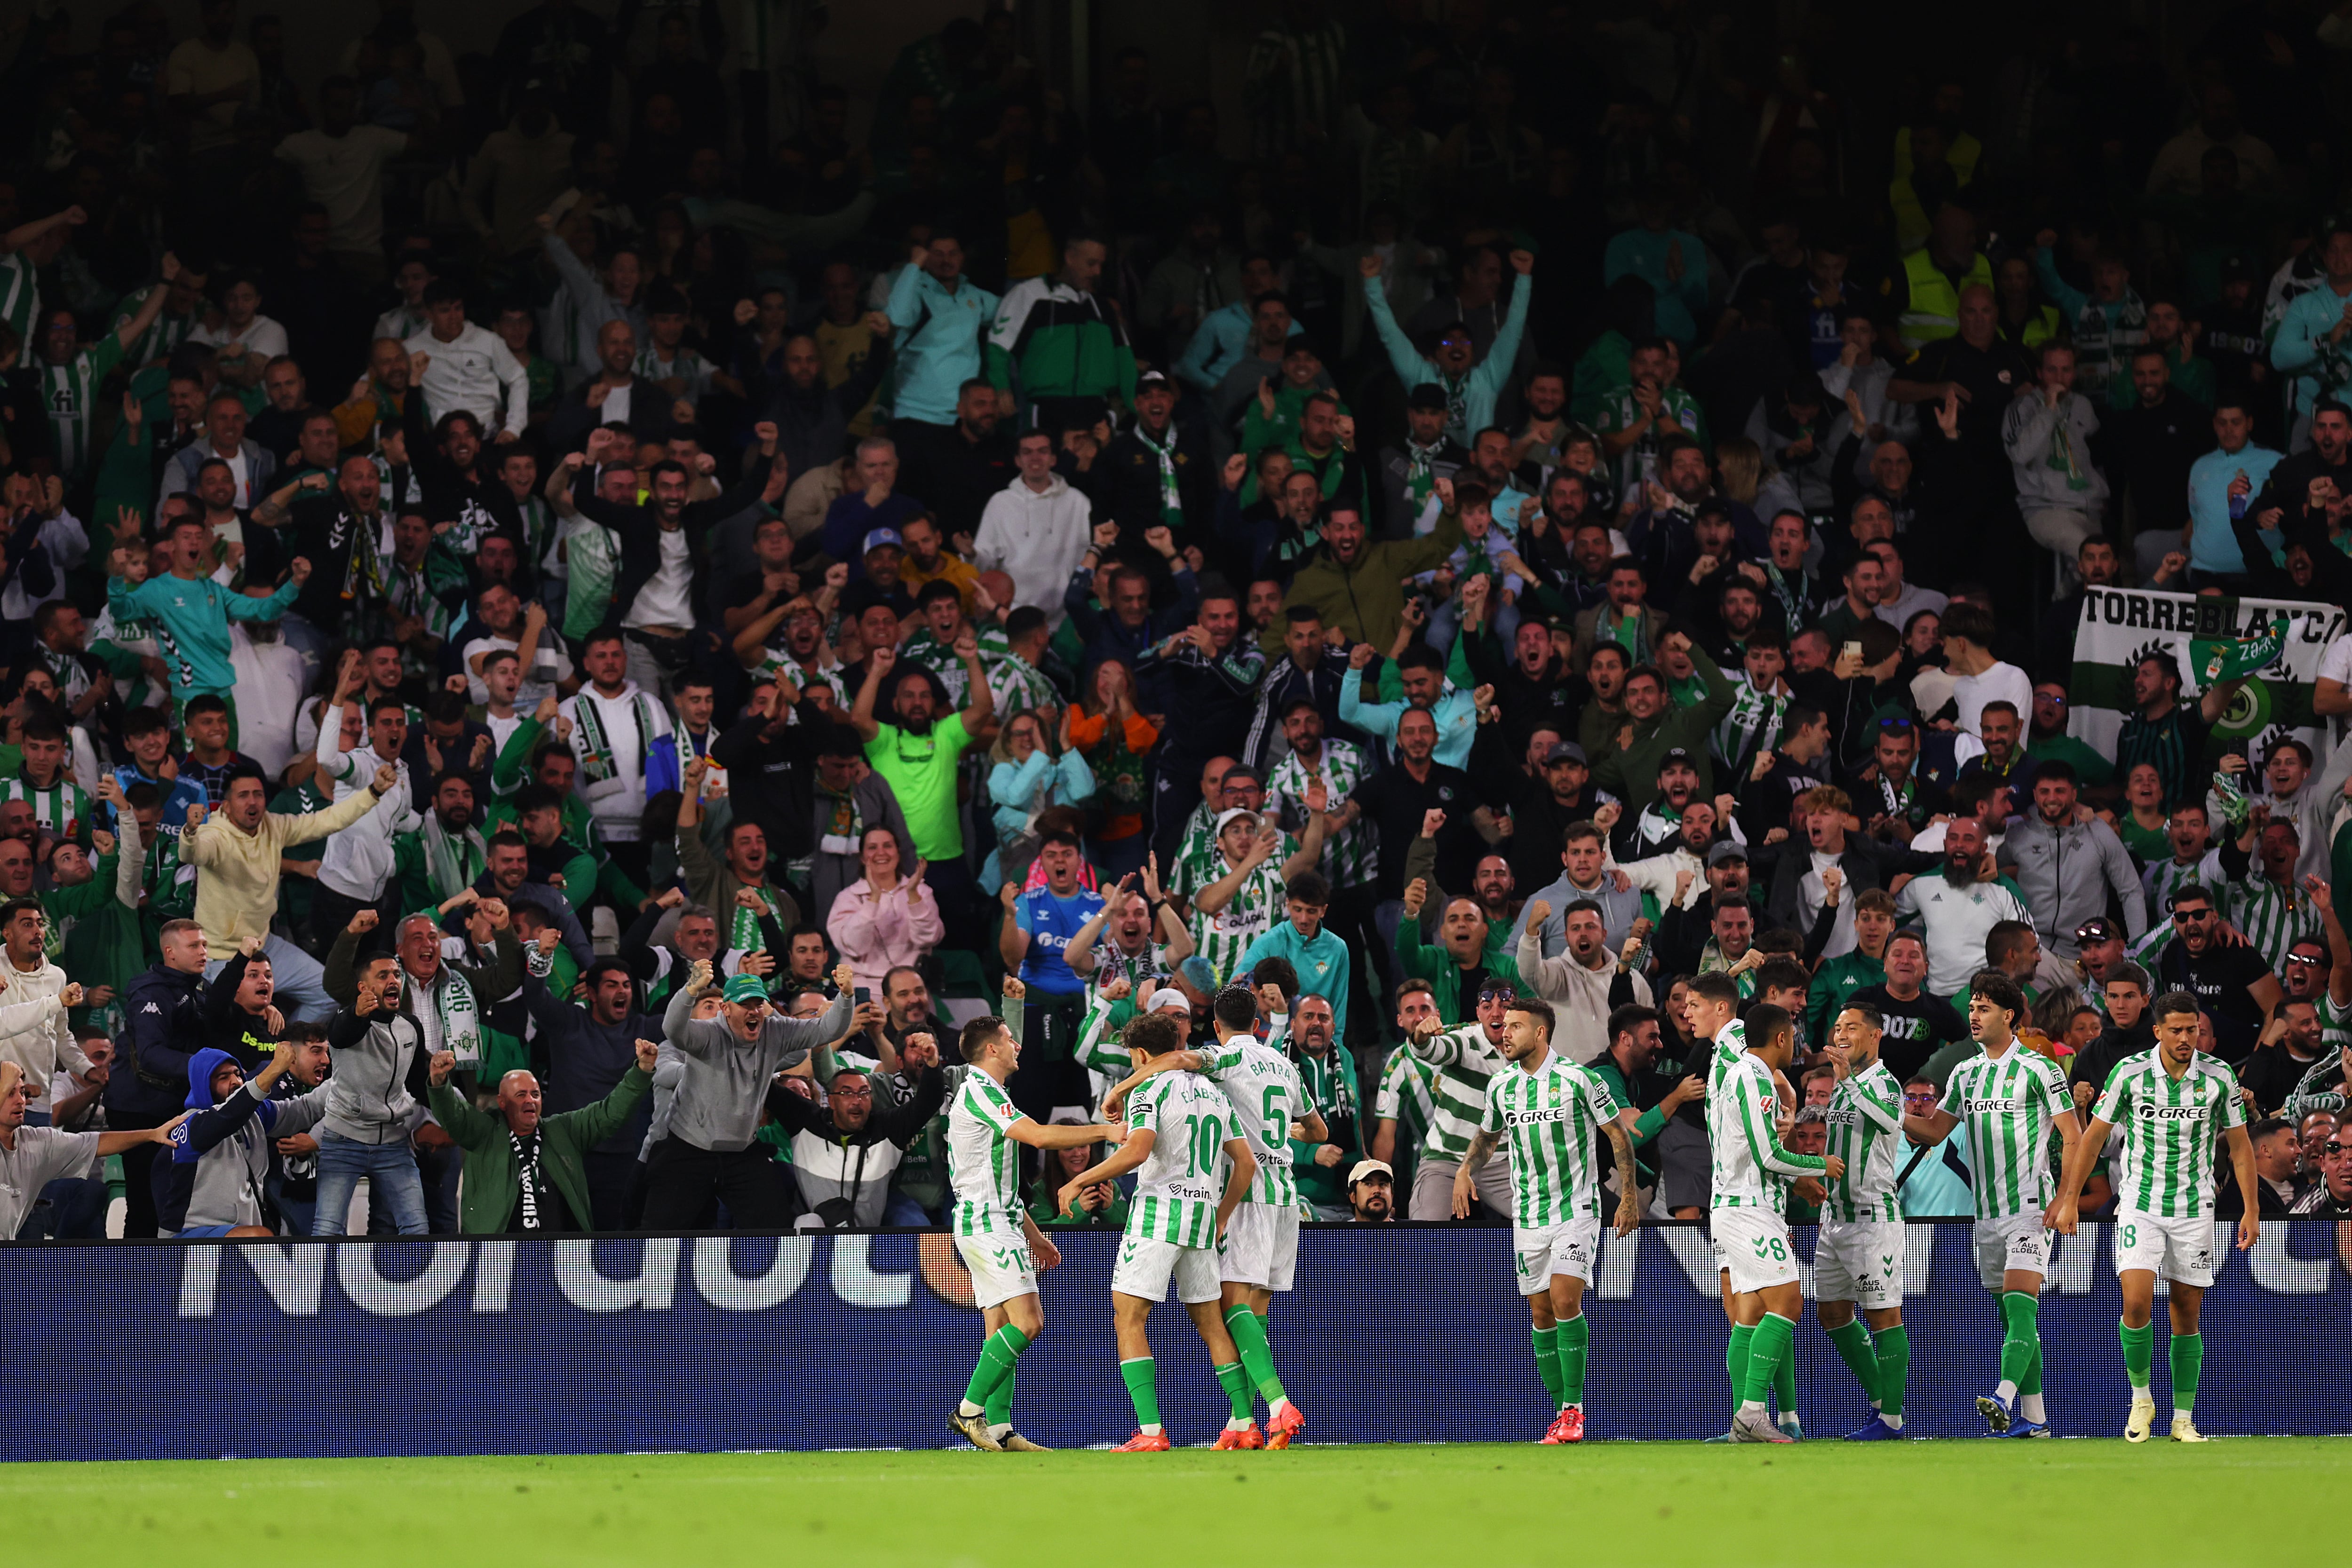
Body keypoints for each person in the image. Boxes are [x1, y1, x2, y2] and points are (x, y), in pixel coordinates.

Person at [1109, 985, 1325, 1449]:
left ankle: (1275, 1405)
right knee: (1252, 1312)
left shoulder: (1222, 1059)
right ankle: (1238, 1421)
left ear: (1215, 1026)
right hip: (1285, 1194)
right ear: (1258, 1021)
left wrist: (1122, 1086)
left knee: (1230, 1308)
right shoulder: (1284, 1065)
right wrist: (1278, 1131)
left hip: (1245, 1196)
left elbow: (1175, 1061)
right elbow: (1318, 1129)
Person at [2048, 989, 2258, 1445]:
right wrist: (2068, 1198)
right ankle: (2141, 1396)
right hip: (2139, 1205)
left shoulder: (2218, 1076)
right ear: (2157, 1031)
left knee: (2185, 1311)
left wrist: (2250, 1208)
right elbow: (2091, 1139)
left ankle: (2182, 1417)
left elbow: (2240, 1147)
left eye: (2193, 1029)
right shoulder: (2129, 1073)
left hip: (2193, 1209)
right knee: (2136, 1300)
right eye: (2177, 1030)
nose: (2186, 1037)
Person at [1057, 1009, 1257, 1451]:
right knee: (1211, 1325)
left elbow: (1137, 1151)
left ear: (1142, 1054)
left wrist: (1079, 1178)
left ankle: (1150, 1433)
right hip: (1203, 1217)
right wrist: (1221, 1215)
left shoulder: (1148, 1086)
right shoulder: (1214, 1092)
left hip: (1159, 1214)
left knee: (1128, 1316)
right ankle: (1244, 1422)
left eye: (1132, 1058)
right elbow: (1246, 1164)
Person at [1452, 995, 1640, 1444]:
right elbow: (1487, 1136)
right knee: (1540, 1313)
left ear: (1540, 1033)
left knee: (1564, 1298)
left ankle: (1574, 1410)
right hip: (1529, 1215)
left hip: (1576, 1209)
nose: (1504, 1032)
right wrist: (1464, 1169)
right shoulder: (1501, 1086)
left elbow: (1618, 1136)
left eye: (1514, 1026)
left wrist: (1629, 1196)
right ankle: (1559, 1413)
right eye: (1503, 1027)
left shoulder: (1579, 1079)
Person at [1900, 971, 2082, 1437]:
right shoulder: (1964, 1072)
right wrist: (1886, 1114)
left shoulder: (2040, 1070)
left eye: (1982, 1008)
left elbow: (2074, 1137)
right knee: (2012, 1318)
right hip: (1985, 1214)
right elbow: (1936, 1131)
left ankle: (2002, 1395)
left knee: (2022, 1308)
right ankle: (2036, 1420)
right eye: (1971, 1007)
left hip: (2029, 1207)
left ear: (2008, 1015)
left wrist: (2066, 1199)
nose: (1973, 1015)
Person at [943, 1008, 1121, 1453]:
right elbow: (1040, 1138)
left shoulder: (991, 1094)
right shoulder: (980, 1090)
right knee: (1030, 1321)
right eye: (1010, 1038)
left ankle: (1000, 1428)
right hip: (985, 1223)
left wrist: (1036, 1236)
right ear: (992, 1049)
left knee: (1000, 1327)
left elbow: (1001, 1181)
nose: (1017, 1045)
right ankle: (968, 1412)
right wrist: (1108, 1131)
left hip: (996, 1219)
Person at [1705, 993, 1837, 1443]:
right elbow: (1767, 1156)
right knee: (1787, 1302)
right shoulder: (1754, 1079)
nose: (1796, 1042)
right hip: (1747, 1209)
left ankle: (1745, 1423)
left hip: (1737, 1206)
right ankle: (1752, 1413)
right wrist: (1821, 1165)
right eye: (1794, 1036)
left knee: (1751, 1314)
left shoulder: (1741, 1075)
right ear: (1782, 1038)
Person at [642, 962, 853, 1230]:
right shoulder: (707, 1033)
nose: (754, 1012)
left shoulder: (776, 1031)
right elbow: (673, 1029)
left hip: (742, 1151)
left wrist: (845, 997)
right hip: (689, 1148)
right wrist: (690, 990)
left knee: (773, 1227)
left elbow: (826, 1030)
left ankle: (763, 1272)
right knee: (659, 1233)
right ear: (726, 1008)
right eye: (746, 1005)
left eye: (758, 1005)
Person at [425, 1034, 655, 1234]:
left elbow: (609, 1113)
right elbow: (455, 1116)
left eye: (535, 1094)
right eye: (521, 1095)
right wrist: (439, 1083)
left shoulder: (564, 1130)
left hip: (566, 1260)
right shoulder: (485, 1133)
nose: (530, 1100)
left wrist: (642, 1071)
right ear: (502, 1103)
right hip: (499, 1259)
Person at [1815, 1001, 1914, 1440]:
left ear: (1875, 1036)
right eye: (1837, 1027)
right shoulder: (1841, 1085)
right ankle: (1879, 1403)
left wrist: (1849, 1082)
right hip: (1832, 1218)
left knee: (1884, 1315)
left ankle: (1891, 1419)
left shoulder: (1883, 1083)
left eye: (1851, 1027)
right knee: (1832, 1313)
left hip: (1873, 1218)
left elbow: (1892, 1120)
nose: (1841, 1034)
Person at [0, 1060, 188, 1240]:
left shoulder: (37, 1142)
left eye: (22, 1092)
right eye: (10, 1093)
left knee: (91, 1196)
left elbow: (97, 1143)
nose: (20, 1101)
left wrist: (152, 1134)